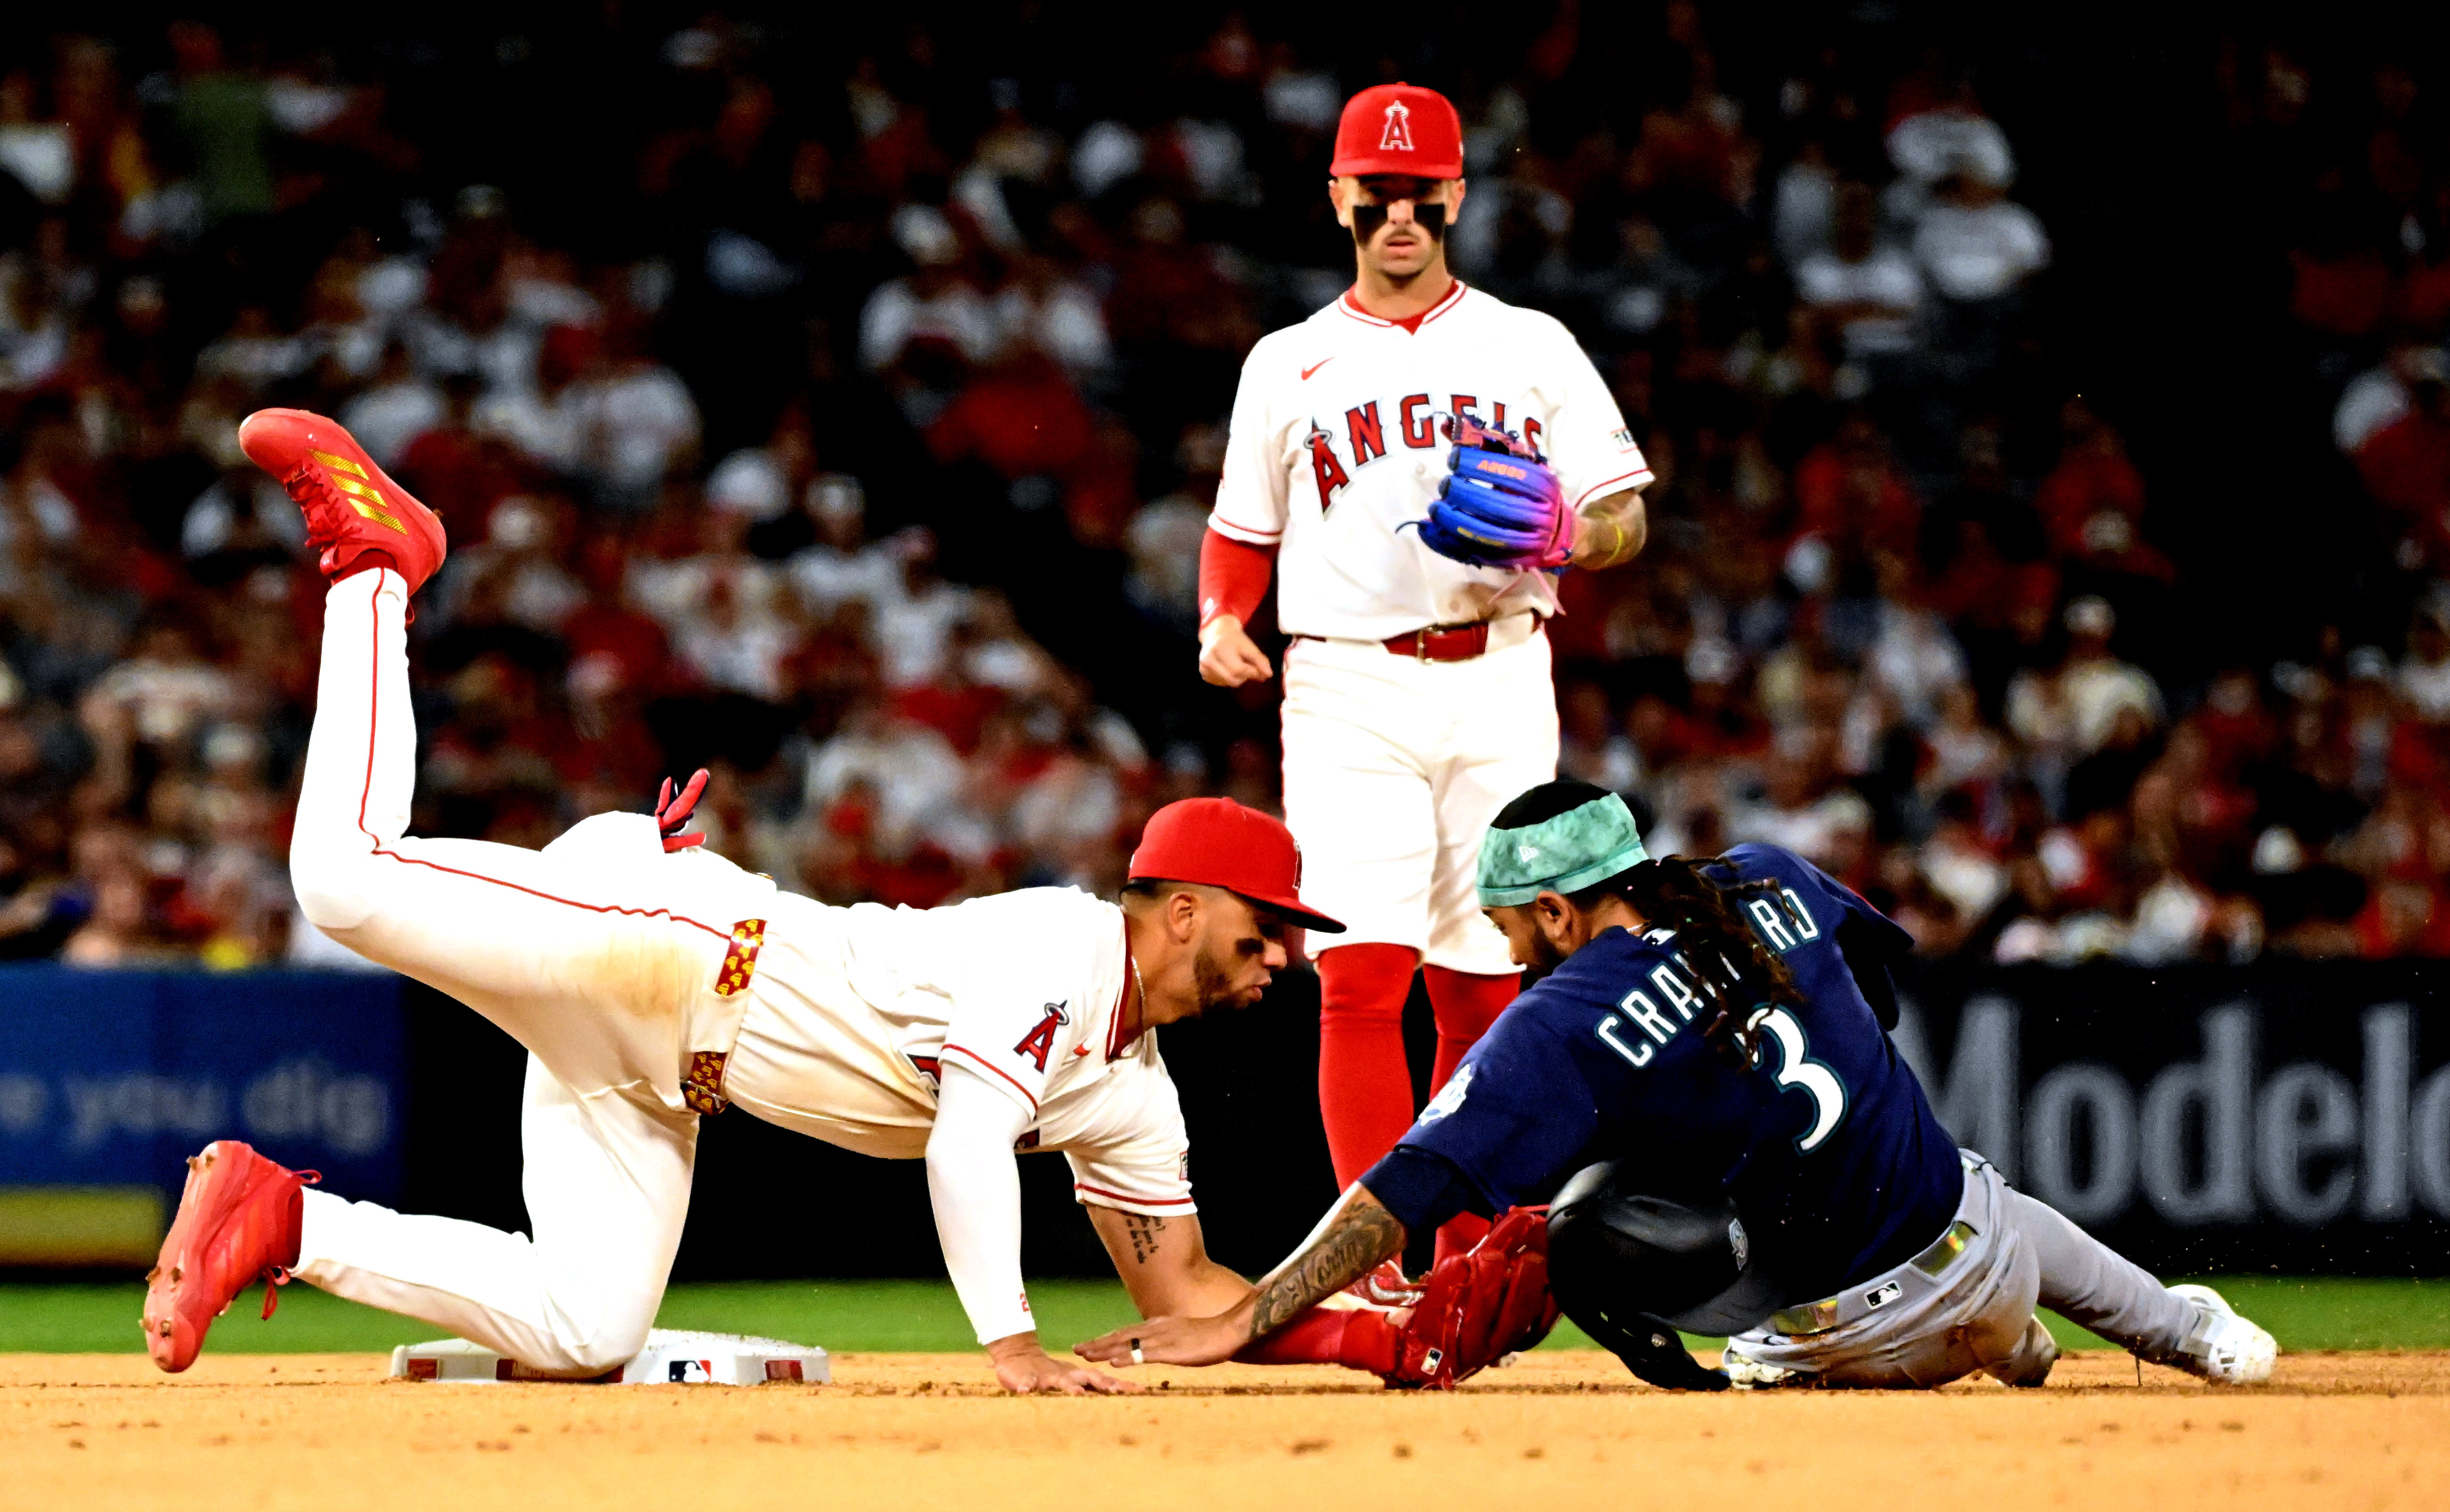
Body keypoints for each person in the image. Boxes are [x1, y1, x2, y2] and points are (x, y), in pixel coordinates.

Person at [143, 409, 1425, 1395]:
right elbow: (965, 1143)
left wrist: (1362, 1331)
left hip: (660, 1066)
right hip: (679, 947)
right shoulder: (1064, 944)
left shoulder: (1136, 1094)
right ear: (1182, 906)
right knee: (342, 882)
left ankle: (284, 1217)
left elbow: (1191, 1294)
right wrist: (1014, 1342)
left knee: (588, 1328)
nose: (1280, 964)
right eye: (1266, 932)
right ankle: (377, 566)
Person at [1081, 780, 2279, 1390]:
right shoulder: (1764, 877)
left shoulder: (1557, 1018)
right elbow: (1878, 992)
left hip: (1835, 1346)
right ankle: (2187, 1334)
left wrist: (1248, 1313)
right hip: (1978, 1245)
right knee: (1971, 1189)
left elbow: (1396, 1192)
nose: (1506, 953)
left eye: (1510, 927)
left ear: (1557, 908)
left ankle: (1999, 1349)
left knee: (1592, 1213)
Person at [1193, 83, 1654, 1258]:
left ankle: (1458, 1256)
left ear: (1454, 195)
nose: (1399, 214)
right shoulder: (1285, 362)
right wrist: (1219, 616)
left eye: (1419, 195)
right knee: (1359, 976)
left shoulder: (1527, 342)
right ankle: (1376, 1265)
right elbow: (1242, 527)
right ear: (1341, 198)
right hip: (1349, 683)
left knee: (1483, 981)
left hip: (1500, 674)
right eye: (1377, 193)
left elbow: (1623, 517)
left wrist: (1566, 536)